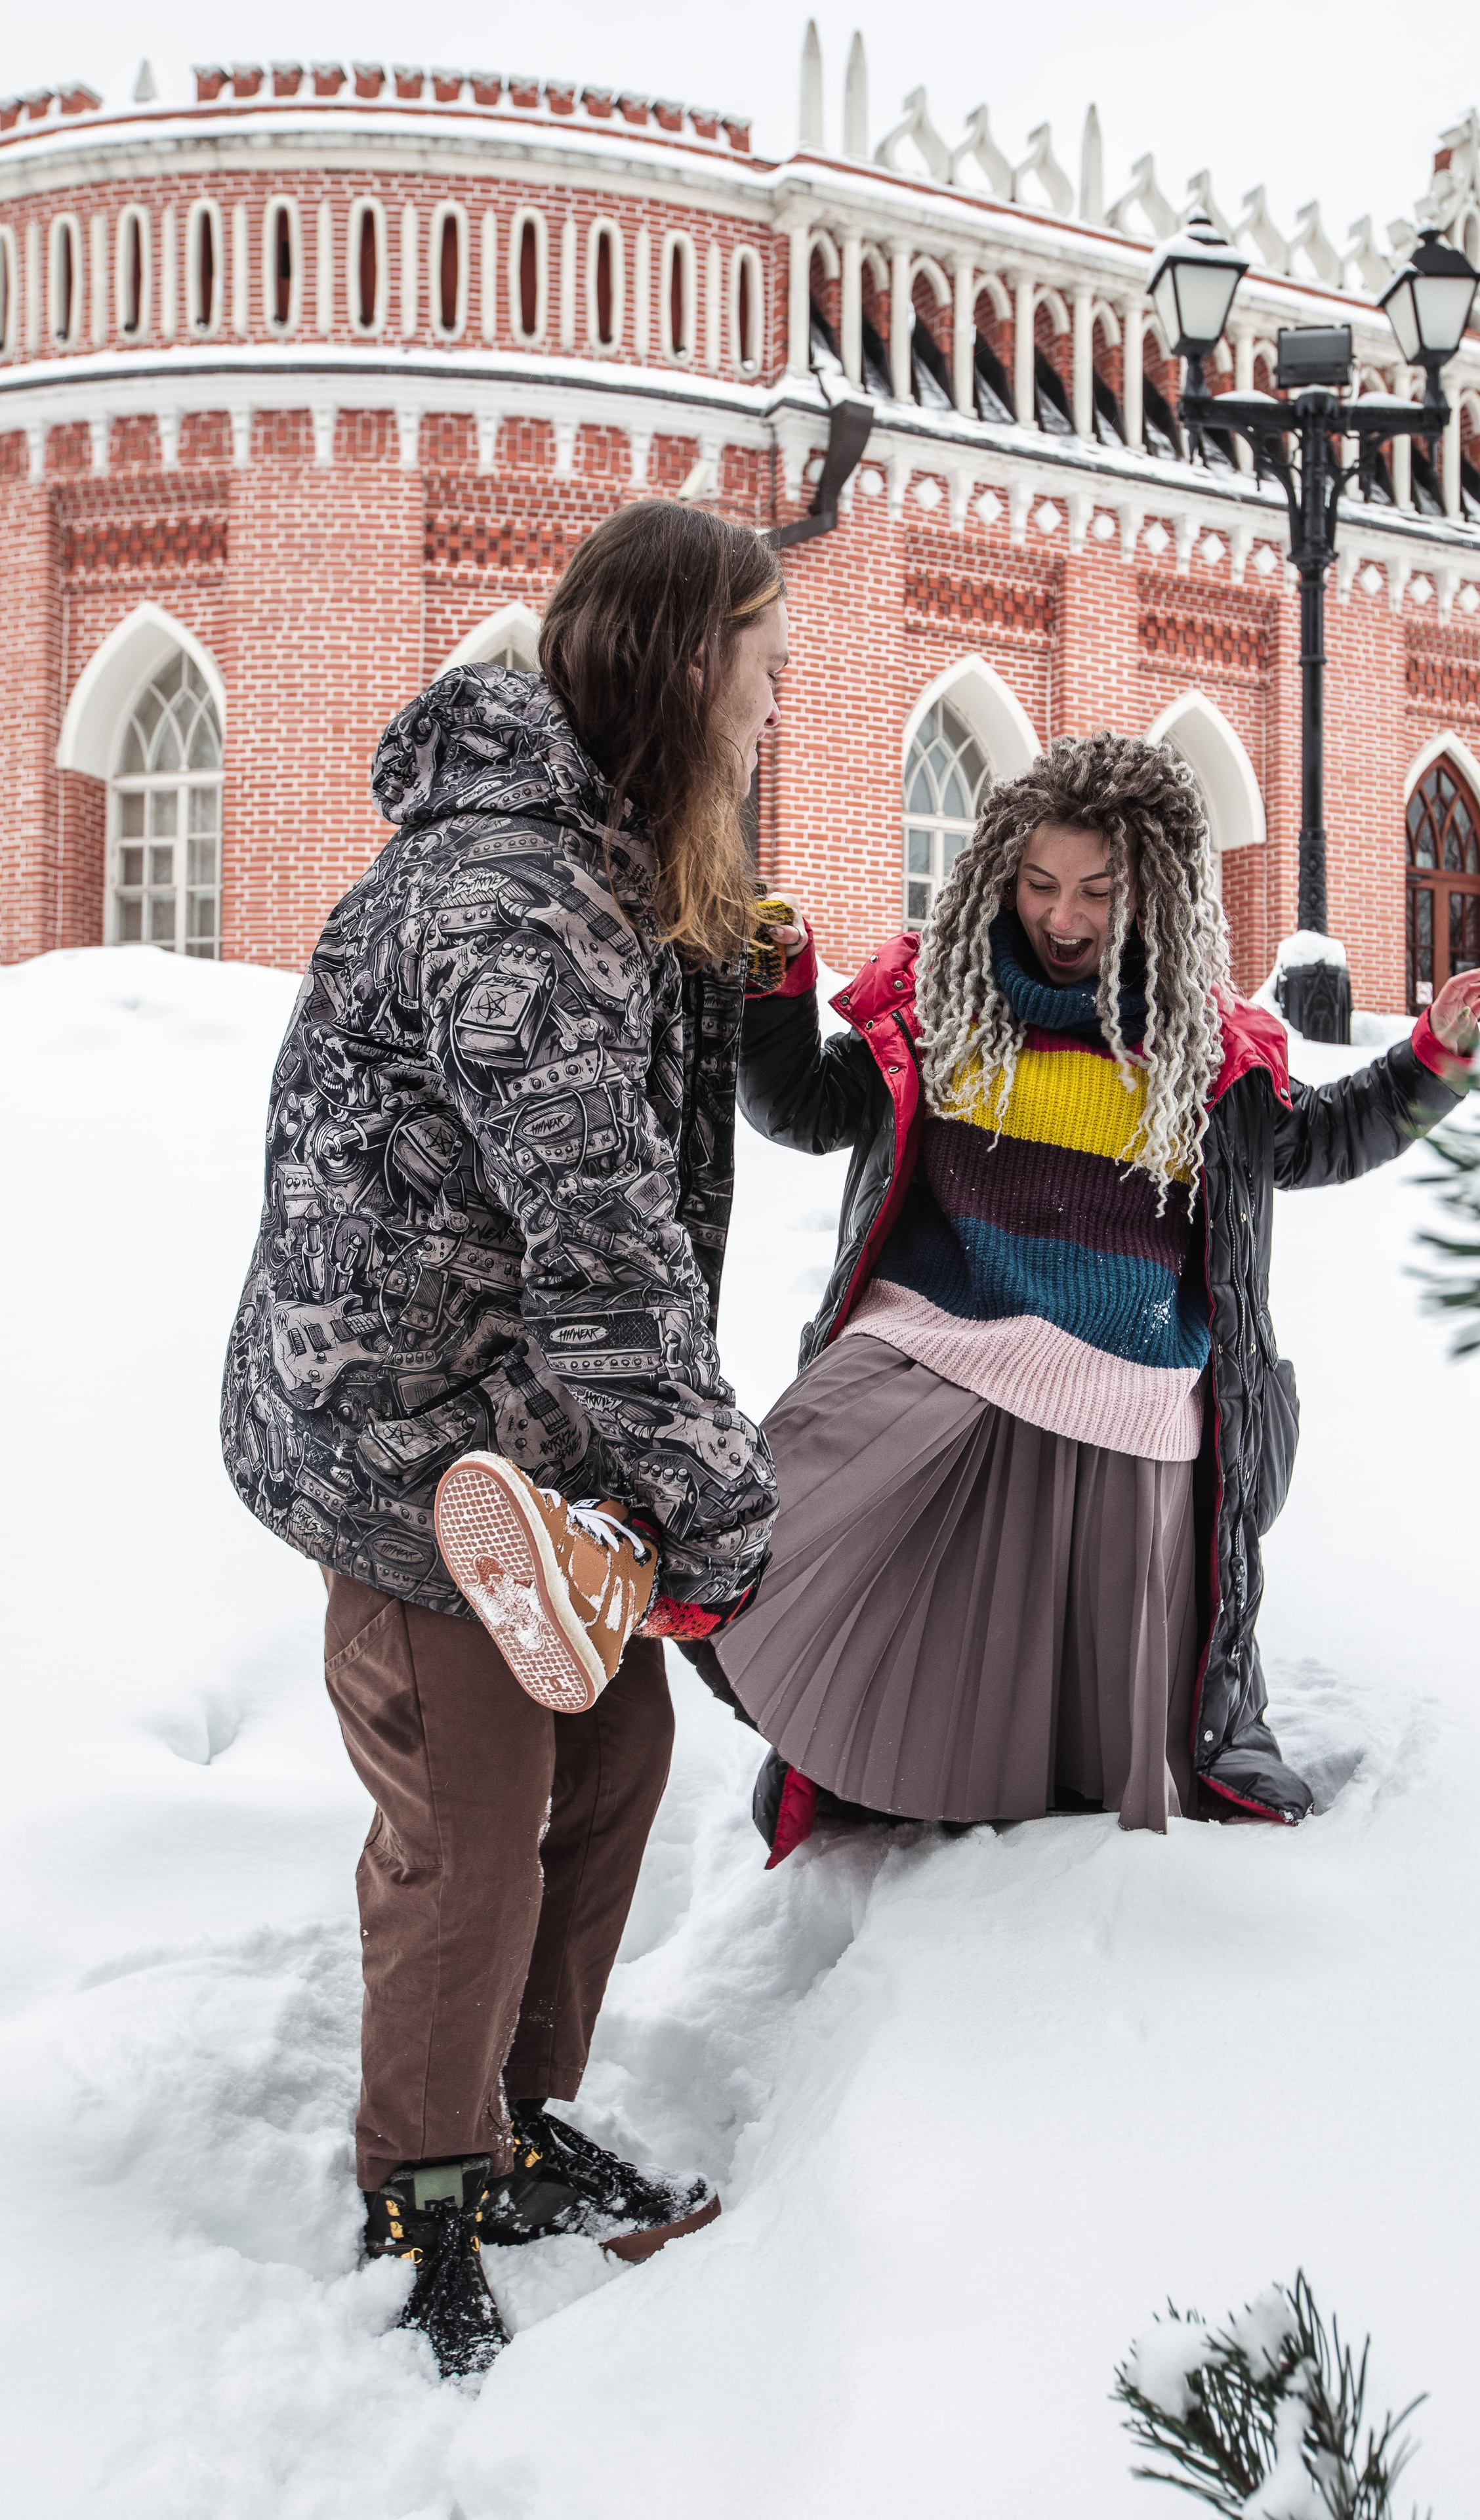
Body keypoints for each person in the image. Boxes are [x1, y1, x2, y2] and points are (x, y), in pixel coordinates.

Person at [220, 501, 790, 2375]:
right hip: (410, 1450)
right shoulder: (512, 904)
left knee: (612, 1745)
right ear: (689, 667)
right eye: (766, 669)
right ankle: (423, 2187)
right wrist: (720, 1517)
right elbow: (607, 1259)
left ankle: (510, 2120)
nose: (779, 710)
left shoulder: (594, 867)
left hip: (510, 1436)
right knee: (470, 1817)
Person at [702, 729, 1480, 1862]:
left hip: (1122, 1403)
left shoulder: (1202, 1056)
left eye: (1095, 890)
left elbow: (1316, 1144)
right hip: (937, 1350)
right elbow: (803, 1110)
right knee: (780, 1510)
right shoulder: (945, 1009)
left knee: (1055, 1694)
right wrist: (775, 987)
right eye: (1037, 884)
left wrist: (1430, 1063)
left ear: (1157, 899)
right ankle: (675, 1583)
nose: (1062, 917)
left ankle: (996, 1814)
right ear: (997, 877)